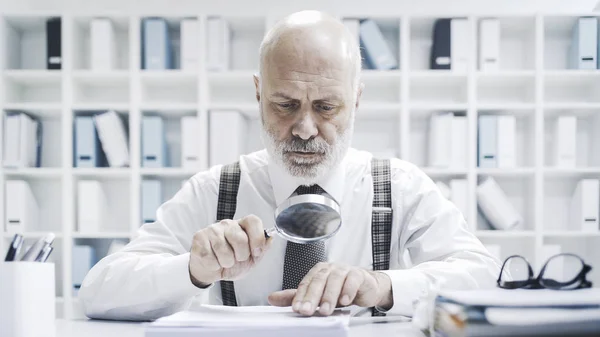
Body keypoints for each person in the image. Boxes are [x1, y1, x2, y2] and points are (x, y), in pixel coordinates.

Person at [79, 10, 501, 321]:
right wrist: (192, 270)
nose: (304, 128)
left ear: (356, 99)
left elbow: (482, 277)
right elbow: (98, 292)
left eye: (326, 106)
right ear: (258, 94)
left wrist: (384, 286)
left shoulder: (400, 186)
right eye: (285, 105)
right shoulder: (213, 190)